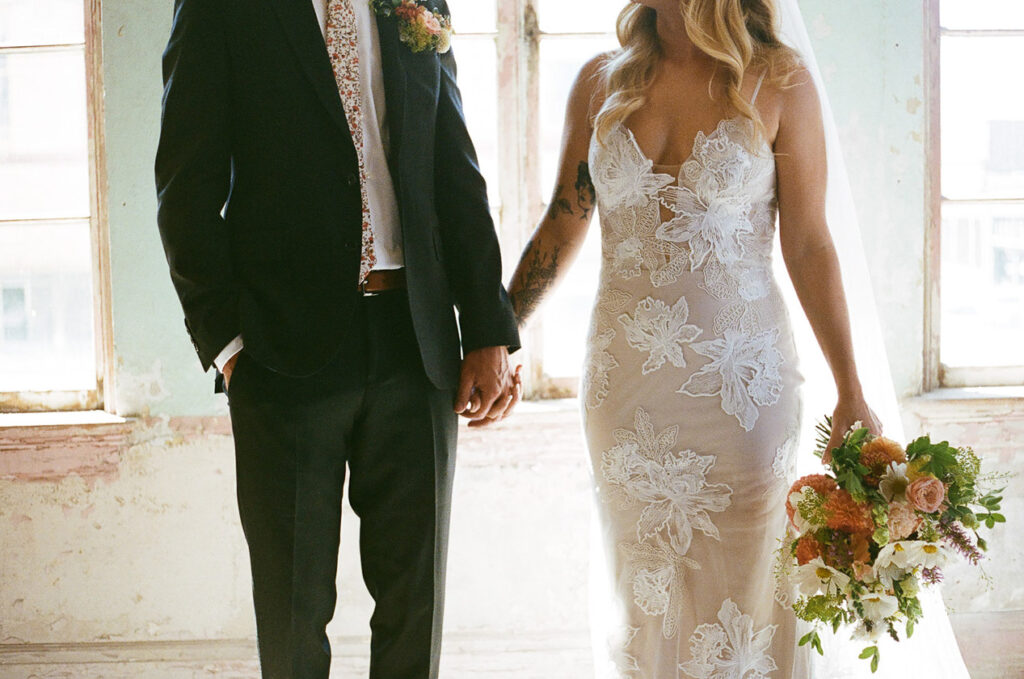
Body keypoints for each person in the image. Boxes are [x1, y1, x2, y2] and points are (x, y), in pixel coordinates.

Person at [507, 0, 882, 675]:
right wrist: (499, 333)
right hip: (625, 394)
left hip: (742, 393)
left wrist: (850, 386)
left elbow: (808, 242)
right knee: (644, 596)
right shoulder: (600, 83)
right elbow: (564, 223)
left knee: (748, 599)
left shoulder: (779, 80)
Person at [154, 0, 520, 677]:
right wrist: (230, 347)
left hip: (417, 343)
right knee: (293, 617)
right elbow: (185, 183)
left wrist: (489, 328)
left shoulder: (417, 4)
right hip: (280, 354)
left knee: (416, 609)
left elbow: (454, 165)